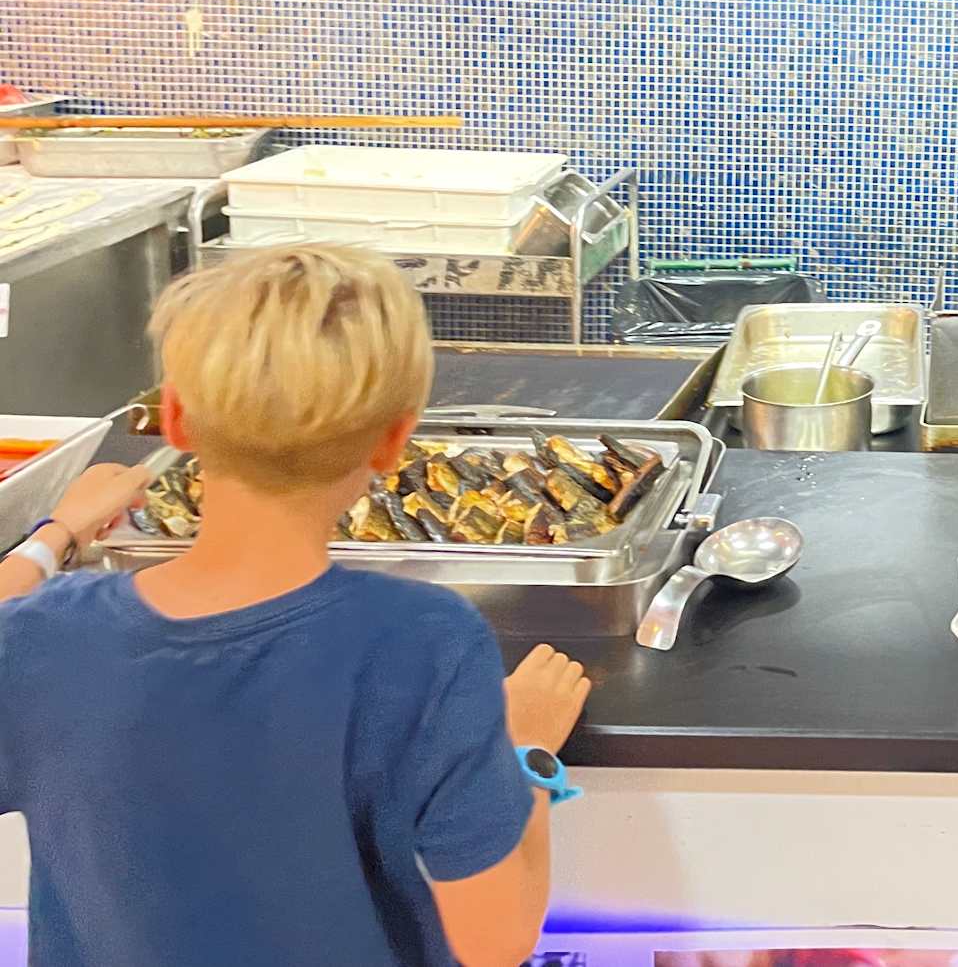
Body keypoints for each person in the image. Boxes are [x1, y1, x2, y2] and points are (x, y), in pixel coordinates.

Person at [0, 245, 592, 967]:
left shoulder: (40, 639)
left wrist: (56, 534)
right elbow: (495, 941)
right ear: (395, 443)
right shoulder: (425, 642)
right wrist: (525, 750)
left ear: (176, 419)